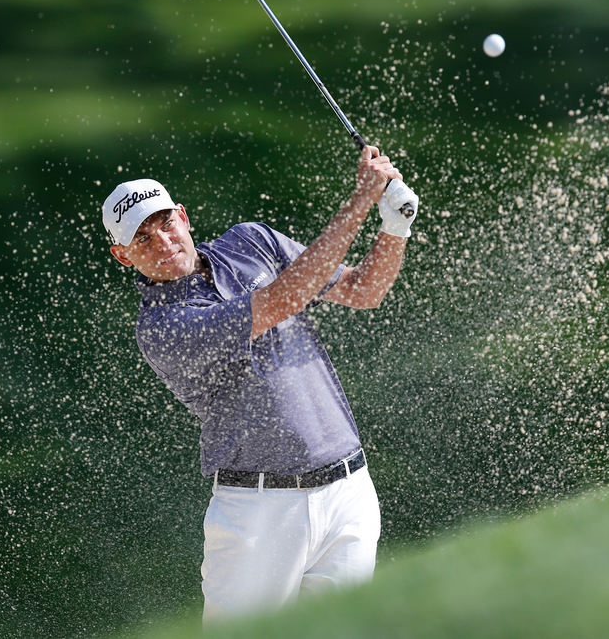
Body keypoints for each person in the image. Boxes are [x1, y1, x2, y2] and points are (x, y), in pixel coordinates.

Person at [101, 146, 418, 621]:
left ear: (184, 217)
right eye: (142, 240)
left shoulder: (252, 242)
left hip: (348, 491)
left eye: (165, 223)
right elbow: (283, 300)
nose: (163, 242)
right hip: (259, 513)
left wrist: (394, 227)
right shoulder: (162, 326)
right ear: (122, 256)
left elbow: (363, 290)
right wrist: (359, 202)